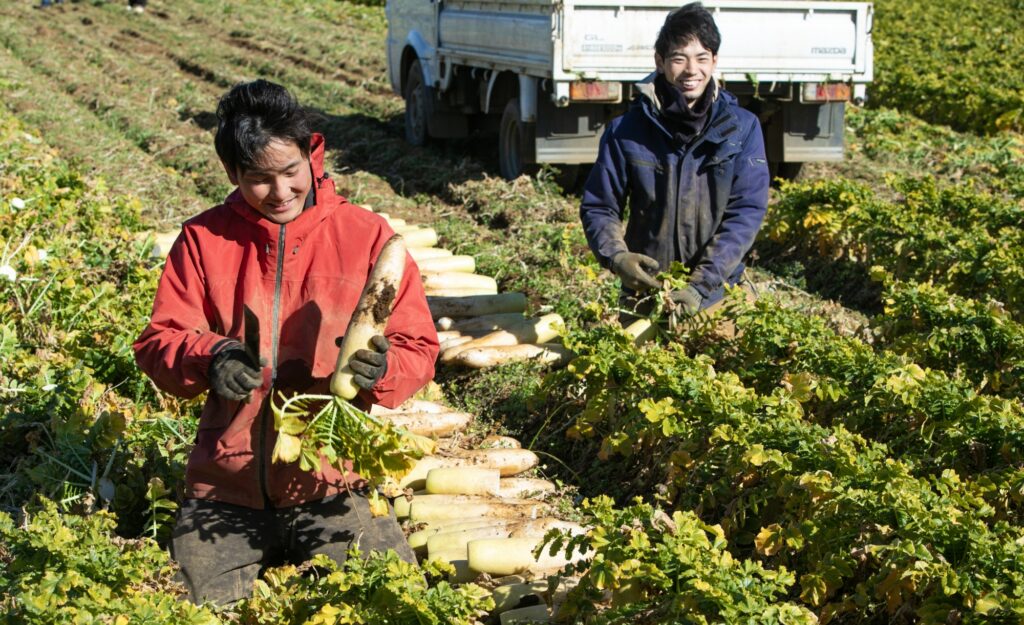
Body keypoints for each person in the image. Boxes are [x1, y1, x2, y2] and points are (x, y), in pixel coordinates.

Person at [133, 79, 439, 605]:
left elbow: (419, 347)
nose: (280, 193)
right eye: (259, 179)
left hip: (333, 483)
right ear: (232, 172)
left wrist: (384, 371)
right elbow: (159, 340)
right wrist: (211, 356)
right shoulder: (204, 240)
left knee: (391, 602)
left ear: (311, 155)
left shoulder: (367, 236)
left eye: (291, 172)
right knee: (193, 610)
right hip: (227, 486)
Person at [580, 2, 769, 322]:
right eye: (679, 58)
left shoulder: (742, 128)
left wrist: (701, 285)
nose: (691, 70)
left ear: (714, 61)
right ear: (660, 61)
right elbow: (600, 205)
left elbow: (746, 212)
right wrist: (617, 257)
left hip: (718, 295)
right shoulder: (626, 131)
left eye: (702, 58)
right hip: (645, 292)